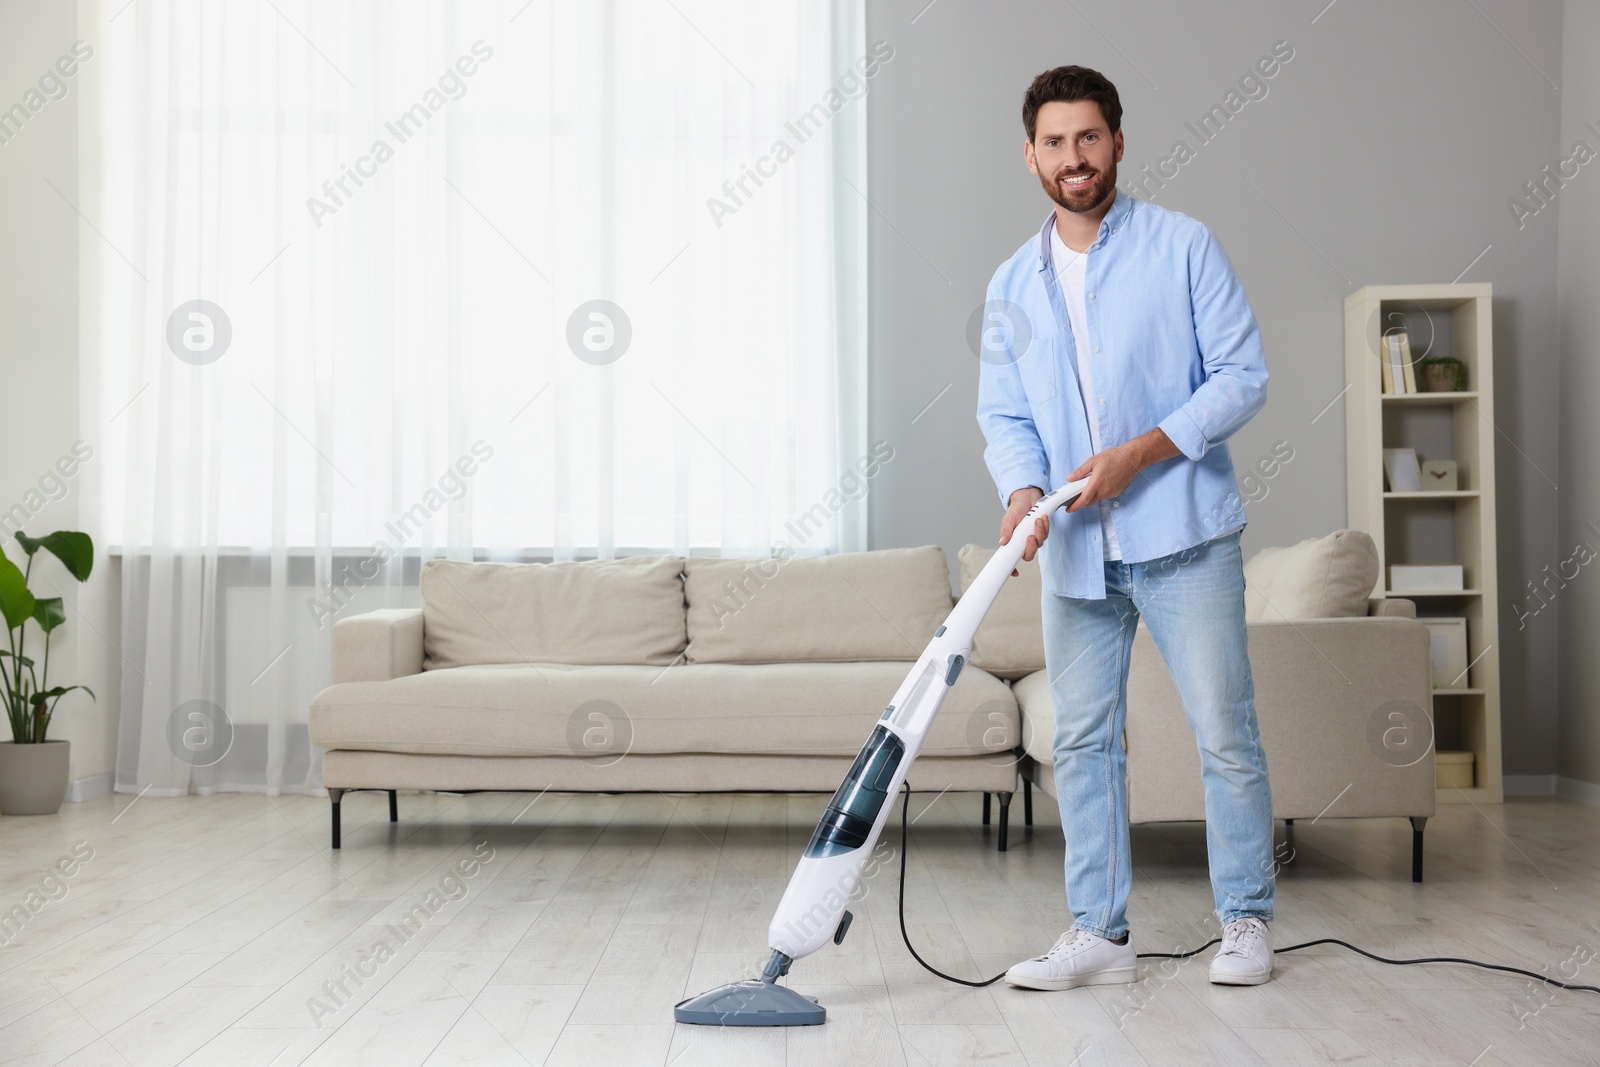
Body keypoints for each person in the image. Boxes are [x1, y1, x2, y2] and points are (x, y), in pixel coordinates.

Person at [975, 65, 1276, 989]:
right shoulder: (1010, 285)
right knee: (1082, 741)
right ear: (1031, 155)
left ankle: (1247, 921)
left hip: (1184, 534)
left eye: (1090, 138)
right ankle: (1099, 934)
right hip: (1074, 550)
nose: (1075, 159)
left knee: (1223, 731)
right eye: (1056, 143)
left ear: (1117, 142)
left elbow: (1241, 375)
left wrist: (1139, 454)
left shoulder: (1185, 247)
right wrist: (1024, 492)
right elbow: (1004, 412)